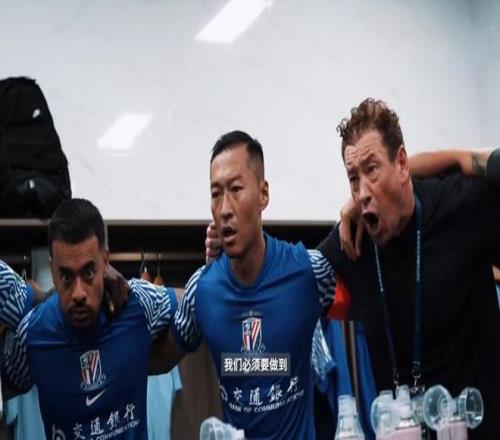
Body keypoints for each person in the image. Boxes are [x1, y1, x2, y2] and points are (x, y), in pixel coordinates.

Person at [316, 98, 499, 438]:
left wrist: (458, 158)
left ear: (402, 163)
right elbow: (292, 277)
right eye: (353, 178)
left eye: (372, 169)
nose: (362, 192)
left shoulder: (461, 205)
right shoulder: (353, 239)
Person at [152, 130, 337, 439]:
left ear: (263, 194)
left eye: (236, 189)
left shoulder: (309, 272)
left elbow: (367, 306)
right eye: (216, 194)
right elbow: (158, 360)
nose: (225, 208)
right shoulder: (202, 291)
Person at [1, 198, 178, 439]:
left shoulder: (139, 303)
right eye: (66, 276)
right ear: (52, 271)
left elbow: (194, 303)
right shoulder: (31, 335)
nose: (78, 294)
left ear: (106, 261)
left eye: (88, 272)